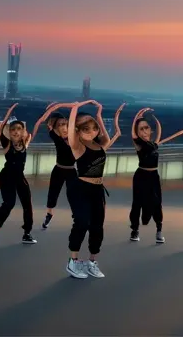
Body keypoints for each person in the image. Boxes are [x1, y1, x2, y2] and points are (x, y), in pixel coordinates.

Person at [64, 101, 124, 279]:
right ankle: (73, 262)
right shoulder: (77, 146)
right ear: (77, 130)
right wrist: (75, 108)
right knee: (82, 223)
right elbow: (71, 131)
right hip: (80, 188)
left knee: (97, 226)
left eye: (94, 128)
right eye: (85, 129)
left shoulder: (99, 145)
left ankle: (92, 262)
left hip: (98, 189)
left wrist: (99, 114)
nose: (92, 132)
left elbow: (107, 135)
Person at [128, 108, 183, 244]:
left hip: (154, 176)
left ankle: (159, 230)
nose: (144, 131)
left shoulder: (153, 144)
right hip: (141, 176)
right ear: (137, 132)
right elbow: (133, 134)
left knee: (157, 203)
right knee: (137, 203)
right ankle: (135, 230)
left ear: (150, 130)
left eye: (146, 128)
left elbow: (158, 136)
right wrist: (138, 115)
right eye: (140, 129)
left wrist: (156, 122)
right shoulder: (138, 144)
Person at [0, 103, 37, 246]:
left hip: (19, 178)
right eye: (13, 130)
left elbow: (34, 128)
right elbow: (0, 130)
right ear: (9, 132)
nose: (16, 132)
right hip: (6, 177)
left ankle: (27, 233)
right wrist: (10, 111)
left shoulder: (25, 143)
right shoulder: (7, 144)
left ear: (23, 131)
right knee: (9, 203)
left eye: (19, 129)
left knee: (27, 205)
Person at [32, 102, 78, 230]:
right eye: (60, 125)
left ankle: (77, 216)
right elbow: (44, 121)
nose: (64, 127)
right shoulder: (56, 137)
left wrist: (71, 107)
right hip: (58, 170)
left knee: (73, 194)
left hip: (71, 171)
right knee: (53, 192)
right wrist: (53, 108)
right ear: (56, 128)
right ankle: (49, 214)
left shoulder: (75, 137)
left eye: (65, 124)